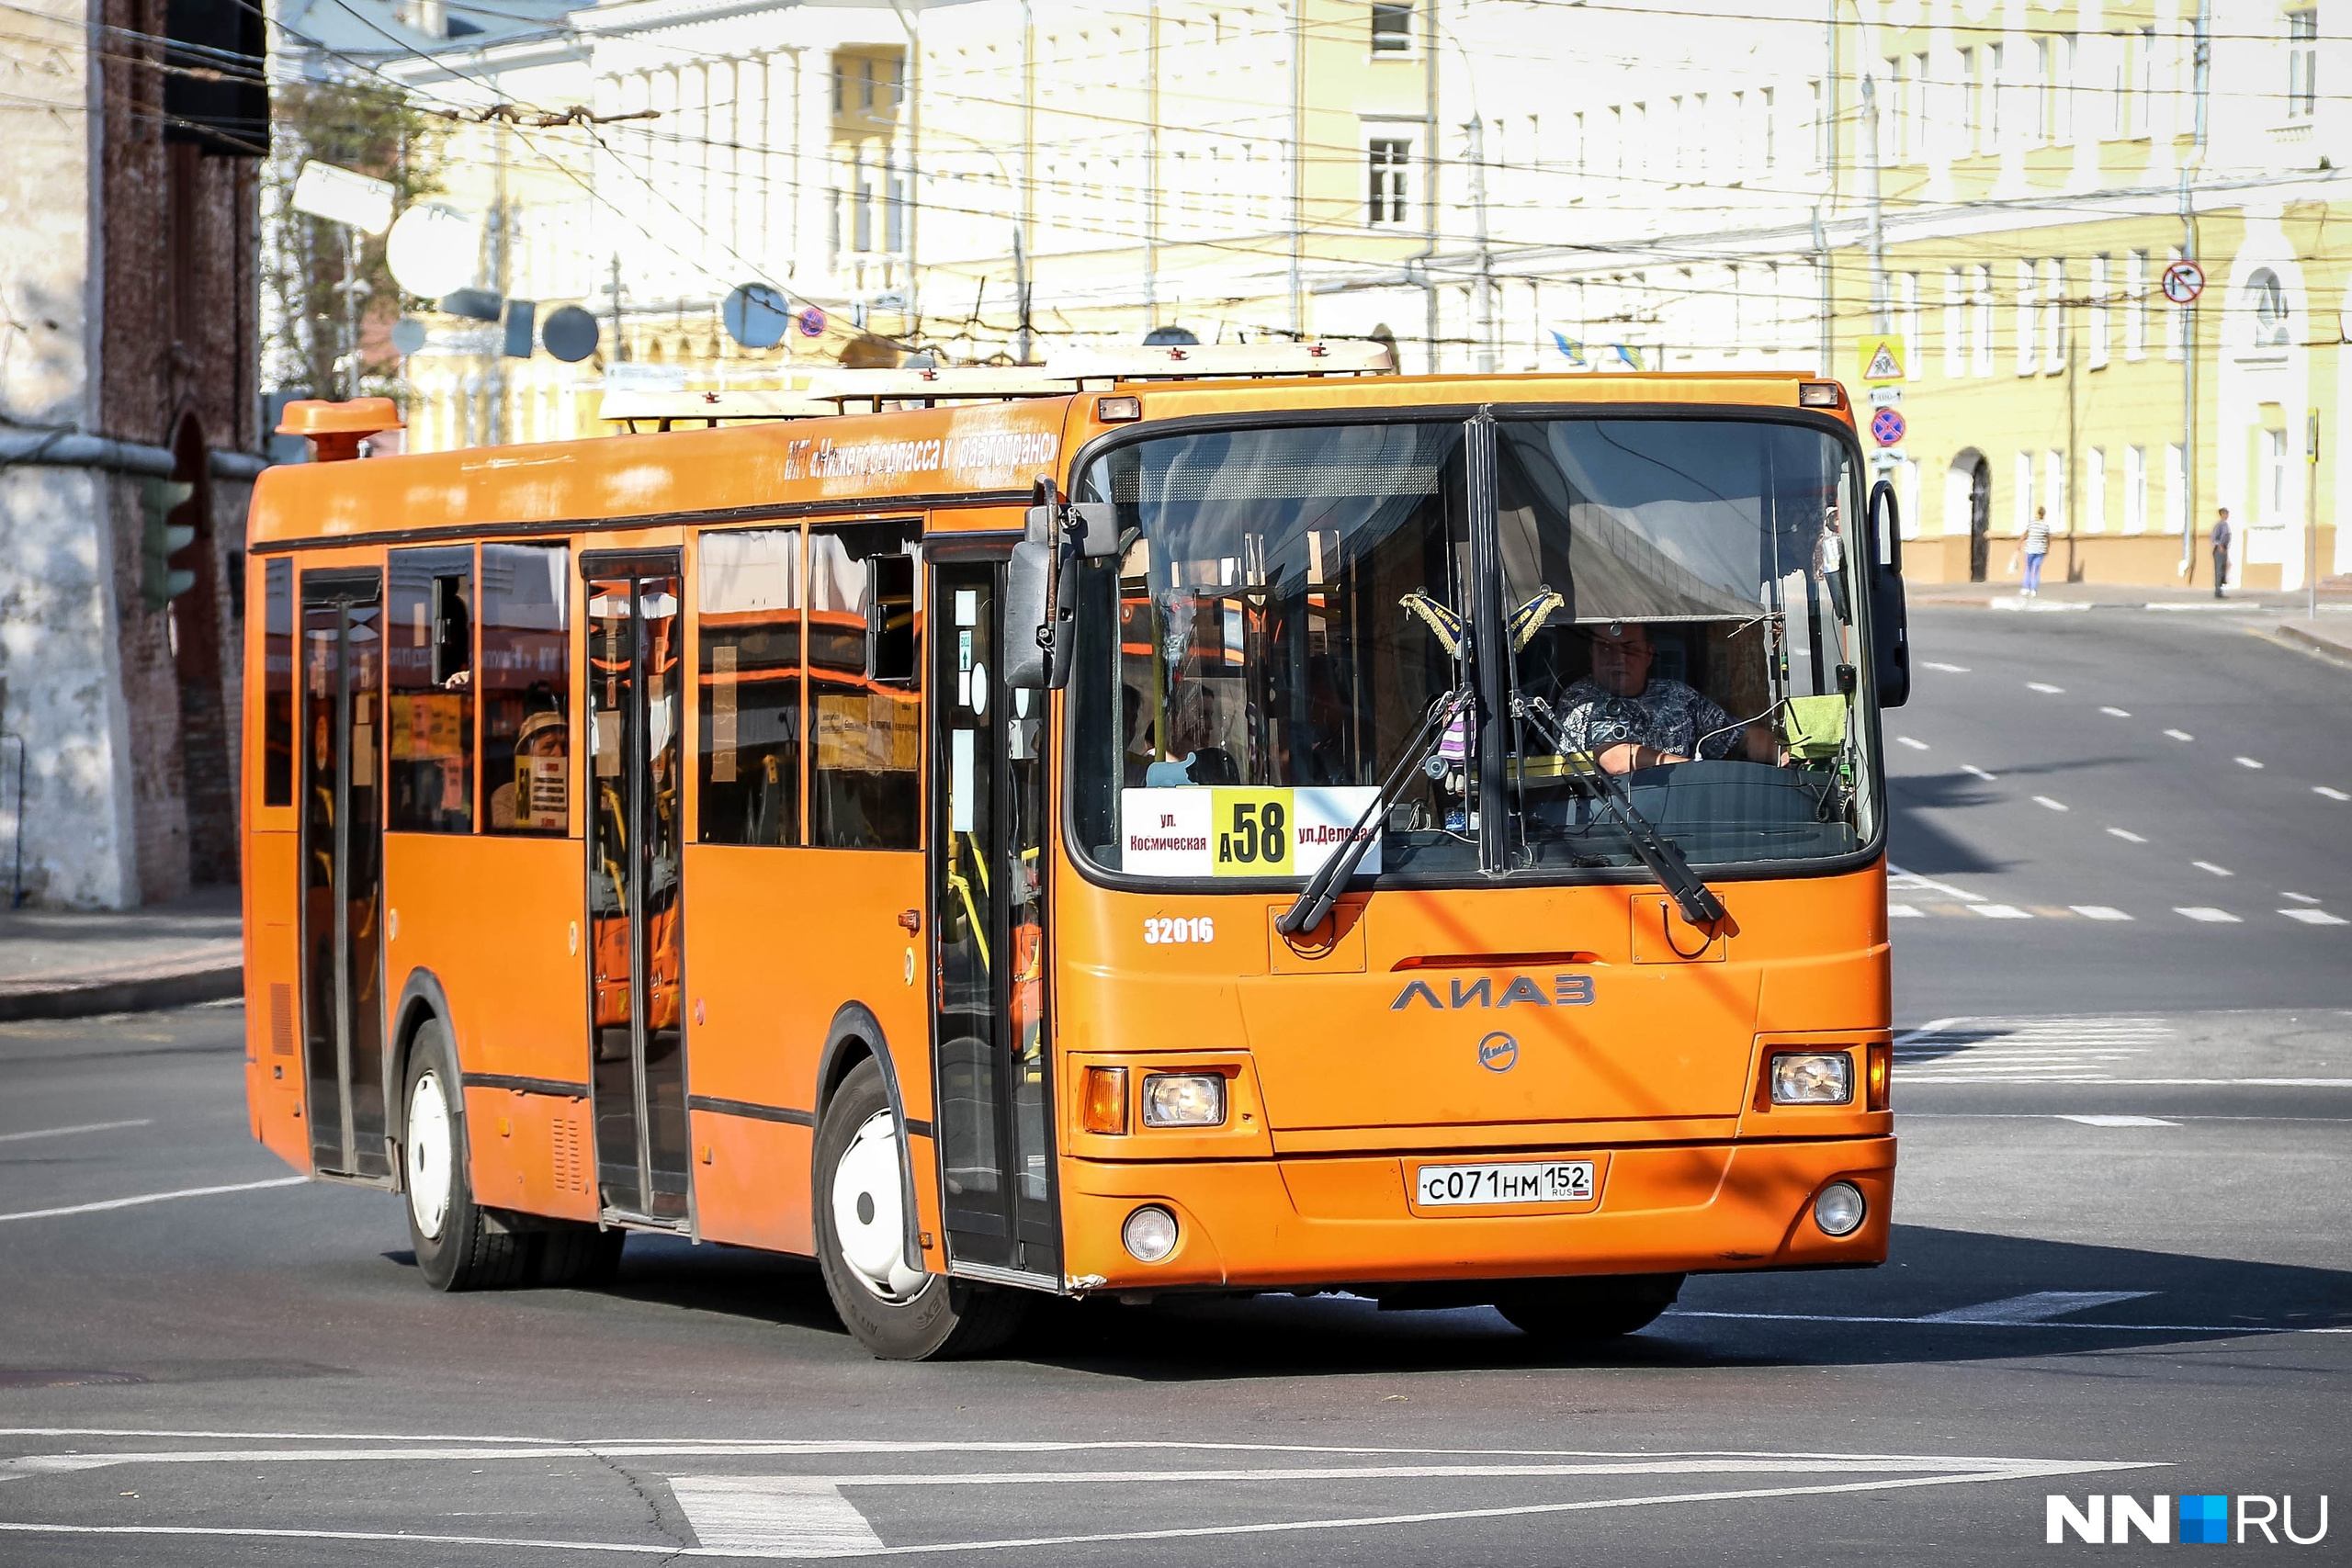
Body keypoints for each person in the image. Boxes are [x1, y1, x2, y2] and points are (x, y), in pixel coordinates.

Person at [1553, 622, 1776, 774]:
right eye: (1605, 649)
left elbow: (1743, 737)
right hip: (1608, 826)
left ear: (1649, 653)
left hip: (1684, 817)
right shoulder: (1580, 700)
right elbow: (1614, 759)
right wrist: (1697, 772)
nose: (1618, 658)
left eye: (1629, 649)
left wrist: (1782, 753)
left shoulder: (1677, 695)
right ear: (1592, 654)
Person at [489, 708, 568, 829]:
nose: (559, 753)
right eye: (549, 746)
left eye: (565, 746)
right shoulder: (506, 796)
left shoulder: (583, 792)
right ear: (526, 752)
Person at [2022, 506, 2052, 598]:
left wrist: (2019, 544)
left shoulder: (2031, 524)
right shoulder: (2045, 526)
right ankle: (2034, 590)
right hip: (2040, 550)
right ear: (2044, 515)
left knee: (2028, 569)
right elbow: (2048, 538)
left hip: (2030, 549)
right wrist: (2047, 549)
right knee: (2036, 571)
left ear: (2037, 514)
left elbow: (2025, 535)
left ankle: (2026, 588)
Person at [2211, 507, 2233, 600]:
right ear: (2221, 514)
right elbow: (2214, 538)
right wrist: (2219, 546)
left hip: (2224, 549)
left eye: (2227, 513)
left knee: (2223, 570)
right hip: (2219, 550)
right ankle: (2218, 592)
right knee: (2219, 571)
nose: (2226, 515)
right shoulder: (2219, 525)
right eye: (2224, 513)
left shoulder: (2226, 525)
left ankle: (2220, 590)